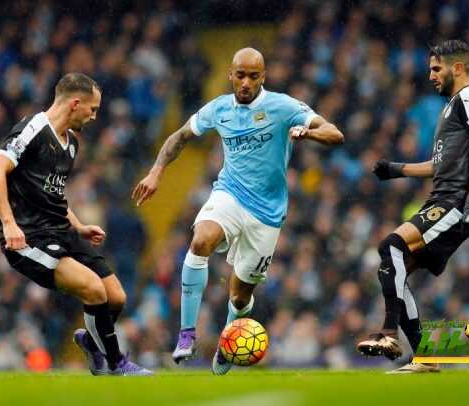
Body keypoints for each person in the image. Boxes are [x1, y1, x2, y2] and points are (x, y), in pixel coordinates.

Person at [132, 48, 344, 375]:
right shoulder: (218, 108)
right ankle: (186, 334)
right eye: (240, 75)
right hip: (229, 194)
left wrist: (309, 132)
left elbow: (335, 133)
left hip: (267, 213)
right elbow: (180, 135)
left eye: (253, 76)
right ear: (230, 74)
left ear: (264, 77)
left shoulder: (283, 106)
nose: (245, 82)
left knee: (241, 295)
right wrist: (156, 171)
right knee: (201, 239)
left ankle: (227, 343)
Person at [0, 73, 152, 376]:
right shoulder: (33, 130)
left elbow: (54, 194)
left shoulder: (71, 143)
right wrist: (9, 223)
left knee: (116, 298)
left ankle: (90, 340)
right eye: (93, 109)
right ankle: (116, 364)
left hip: (61, 229)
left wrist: (79, 225)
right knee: (93, 289)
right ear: (75, 103)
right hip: (28, 236)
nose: (94, 116)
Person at [356, 40, 469, 373]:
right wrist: (397, 169)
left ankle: (389, 334)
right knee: (392, 267)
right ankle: (427, 356)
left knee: (390, 246)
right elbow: (439, 165)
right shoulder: (451, 107)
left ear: (458, 68)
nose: (432, 76)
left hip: (454, 202)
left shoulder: (467, 98)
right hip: (443, 199)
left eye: (437, 69)